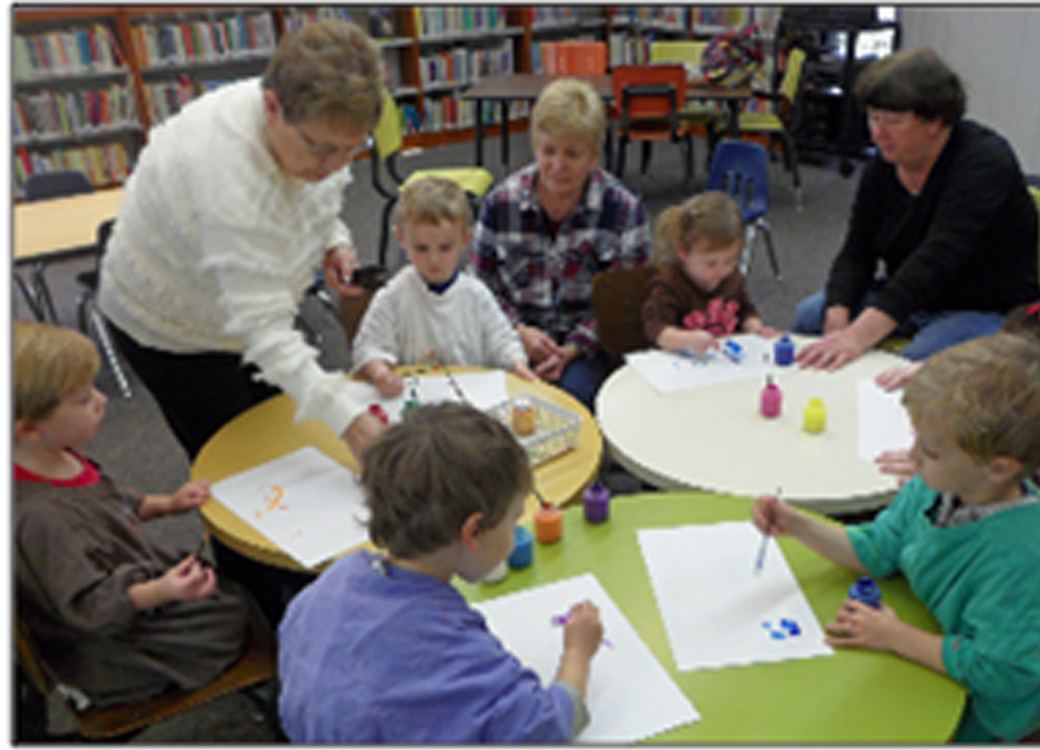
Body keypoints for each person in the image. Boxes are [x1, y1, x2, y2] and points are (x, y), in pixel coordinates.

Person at [753, 335, 1040, 742]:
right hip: (936, 644)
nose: (912, 456)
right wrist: (798, 525)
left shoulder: (1021, 562)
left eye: (931, 450)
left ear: (998, 468)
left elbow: (1005, 673)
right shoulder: (939, 485)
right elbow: (880, 548)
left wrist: (895, 637)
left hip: (989, 711)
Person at [98, 19, 388, 463]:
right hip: (172, 327)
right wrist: (349, 420)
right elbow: (263, 331)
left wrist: (333, 239)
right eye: (322, 149)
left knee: (278, 433)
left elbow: (313, 193)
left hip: (238, 300)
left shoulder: (310, 128)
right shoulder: (226, 177)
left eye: (352, 148)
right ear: (271, 107)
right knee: (235, 462)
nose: (335, 163)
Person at [278, 402, 605, 742]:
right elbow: (544, 729)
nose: (515, 532)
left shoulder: (327, 586)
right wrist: (577, 652)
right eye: (513, 520)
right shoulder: (454, 652)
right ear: (473, 532)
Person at [14, 321, 254, 708]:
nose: (102, 400)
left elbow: (112, 501)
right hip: (110, 632)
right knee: (236, 617)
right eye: (83, 399)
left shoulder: (52, 455)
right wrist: (162, 591)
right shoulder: (42, 519)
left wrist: (169, 503)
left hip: (132, 578)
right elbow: (89, 608)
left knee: (234, 597)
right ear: (28, 429)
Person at [791, 47, 1040, 371]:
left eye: (893, 122)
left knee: (908, 367)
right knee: (810, 318)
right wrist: (838, 316)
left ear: (935, 121)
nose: (877, 133)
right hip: (916, 300)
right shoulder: (882, 168)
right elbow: (857, 252)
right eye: (873, 118)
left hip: (983, 308)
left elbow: (935, 261)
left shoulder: (984, 162)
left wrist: (856, 336)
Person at [470, 77, 652, 411]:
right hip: (512, 337)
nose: (557, 166)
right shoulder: (500, 204)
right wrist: (518, 331)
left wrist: (572, 348)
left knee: (572, 401)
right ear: (534, 146)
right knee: (490, 403)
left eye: (572, 154)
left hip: (586, 347)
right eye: (548, 151)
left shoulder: (624, 210)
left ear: (594, 157)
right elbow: (480, 288)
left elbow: (624, 306)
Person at [874, 294, 1040, 491]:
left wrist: (940, 465)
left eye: (1002, 360)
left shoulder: (1030, 433)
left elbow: (1001, 489)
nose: (991, 364)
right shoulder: (1016, 393)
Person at [352, 176, 537, 396]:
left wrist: (517, 364)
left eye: (445, 247)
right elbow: (369, 347)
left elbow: (503, 342)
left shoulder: (476, 295)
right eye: (422, 248)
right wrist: (381, 373)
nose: (434, 259)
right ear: (401, 239)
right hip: (413, 398)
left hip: (467, 398)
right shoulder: (393, 295)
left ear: (465, 239)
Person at [642, 191, 777, 354]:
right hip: (681, 362)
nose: (722, 270)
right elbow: (657, 331)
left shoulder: (731, 278)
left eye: (730, 260)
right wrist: (687, 340)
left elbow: (745, 310)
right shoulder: (669, 286)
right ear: (684, 252)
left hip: (724, 359)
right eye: (711, 264)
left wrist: (754, 327)